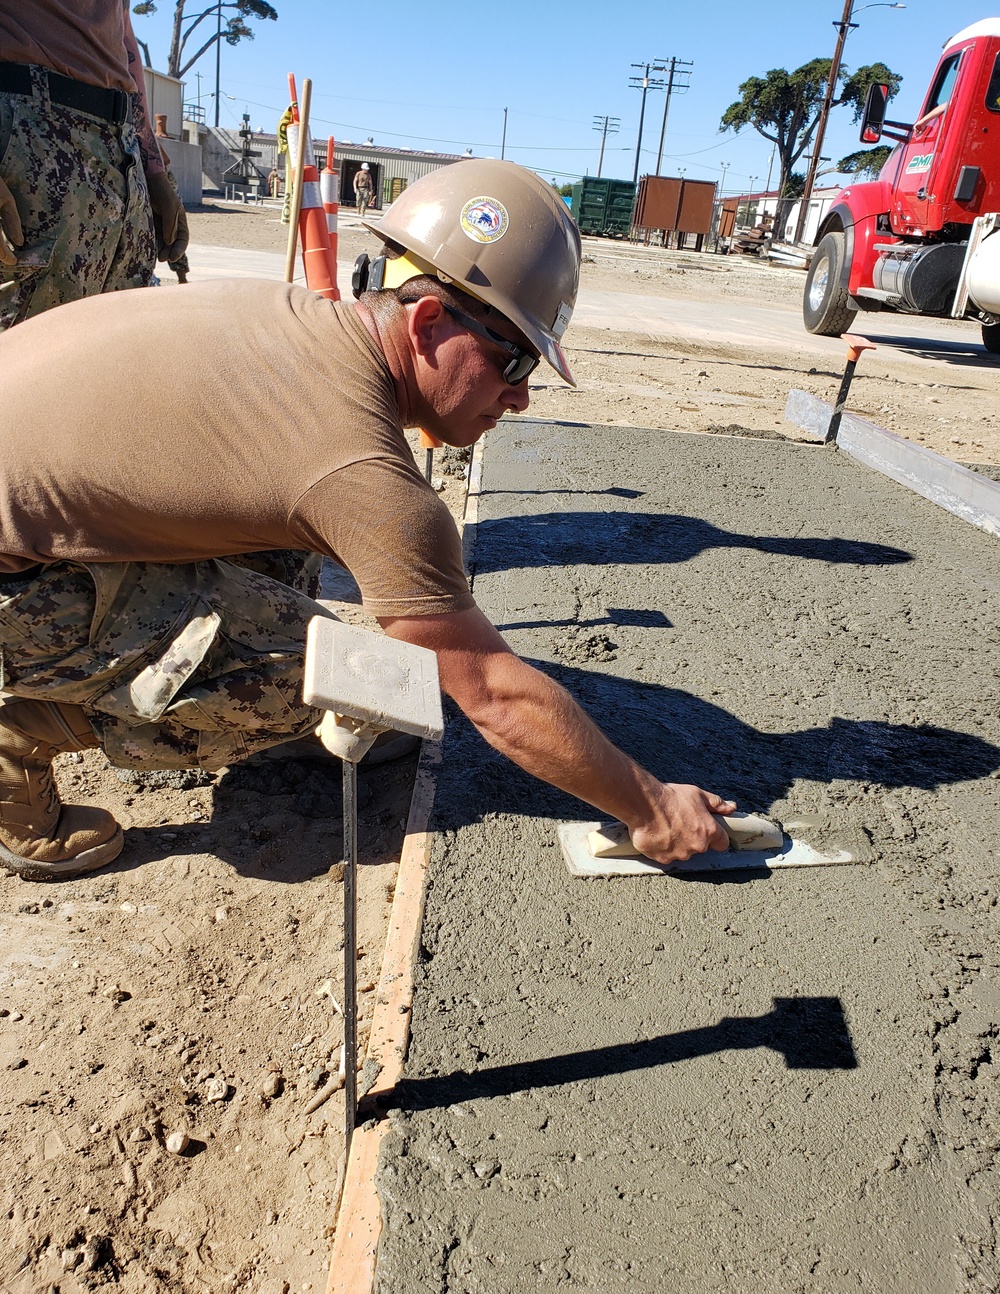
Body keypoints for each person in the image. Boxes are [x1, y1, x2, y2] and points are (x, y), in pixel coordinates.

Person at [0, 158, 734, 882]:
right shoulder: (360, 473)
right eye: (514, 365)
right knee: (307, 679)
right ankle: (17, 737)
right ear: (426, 323)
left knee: (294, 572)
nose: (522, 399)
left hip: (27, 519)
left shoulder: (298, 325)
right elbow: (493, 692)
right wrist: (650, 805)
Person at [0, 0, 188, 328]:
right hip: (31, 131)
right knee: (23, 361)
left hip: (122, 149)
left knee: (107, 361)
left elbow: (122, 30)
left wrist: (151, 165)